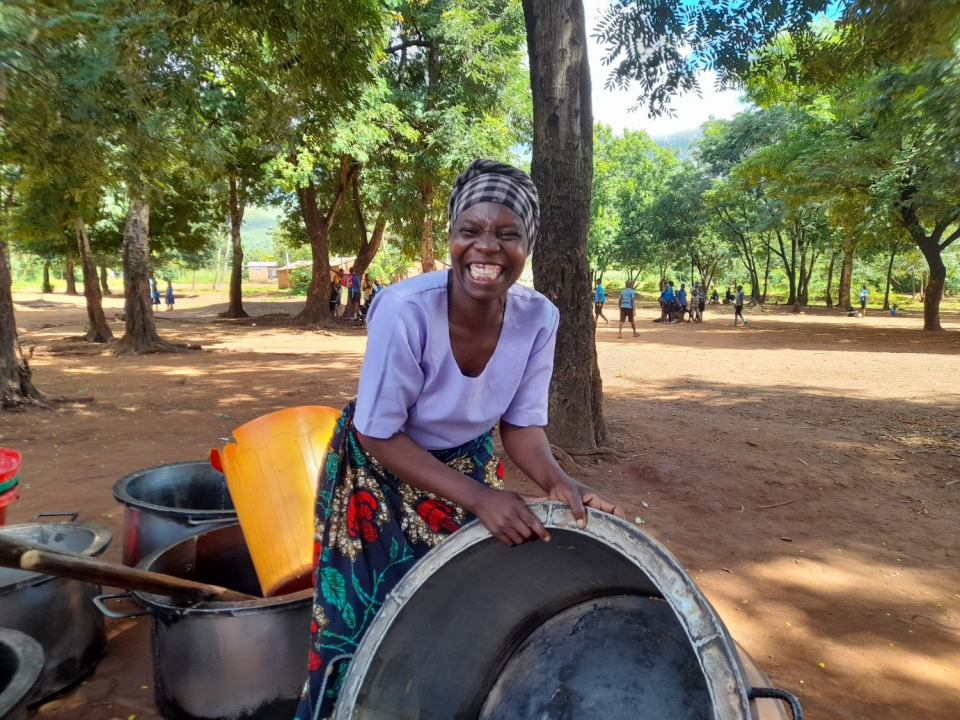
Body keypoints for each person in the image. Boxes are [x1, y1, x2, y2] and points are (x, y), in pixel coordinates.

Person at [294, 160, 623, 720]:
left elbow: (520, 427)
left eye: (507, 234)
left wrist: (557, 480)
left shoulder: (538, 317)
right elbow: (377, 432)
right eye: (470, 231)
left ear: (528, 243)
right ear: (451, 236)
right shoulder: (405, 310)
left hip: (470, 470)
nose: (486, 248)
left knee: (456, 613)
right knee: (363, 623)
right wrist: (482, 499)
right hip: (377, 475)